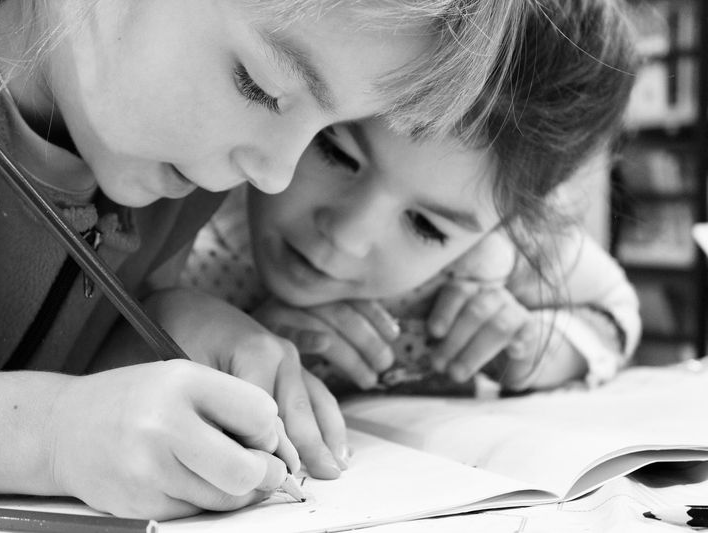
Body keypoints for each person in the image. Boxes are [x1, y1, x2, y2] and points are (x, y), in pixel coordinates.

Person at [0, 0, 526, 520]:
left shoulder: (173, 172)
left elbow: (32, 350)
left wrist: (157, 332)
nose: (276, 176)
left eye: (326, 130)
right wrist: (45, 436)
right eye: (261, 86)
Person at [180, 0, 642, 395]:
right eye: (336, 153)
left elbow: (616, 309)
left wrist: (543, 347)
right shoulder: (190, 186)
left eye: (427, 226)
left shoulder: (500, 253)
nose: (347, 237)